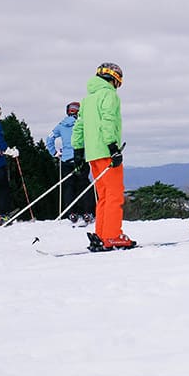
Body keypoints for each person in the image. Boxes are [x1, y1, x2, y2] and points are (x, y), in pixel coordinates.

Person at [73, 62, 134, 250]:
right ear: (114, 78)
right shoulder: (109, 95)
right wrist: (113, 147)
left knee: (104, 195)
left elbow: (79, 126)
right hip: (106, 151)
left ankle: (101, 233)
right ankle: (113, 235)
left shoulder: (87, 99)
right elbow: (108, 120)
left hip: (92, 154)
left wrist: (78, 151)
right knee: (115, 194)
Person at [45, 101, 94, 226]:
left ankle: (72, 212)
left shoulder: (61, 125)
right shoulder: (82, 124)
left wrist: (54, 153)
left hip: (66, 160)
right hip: (81, 158)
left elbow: (49, 138)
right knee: (84, 185)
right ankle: (87, 212)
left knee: (68, 187)